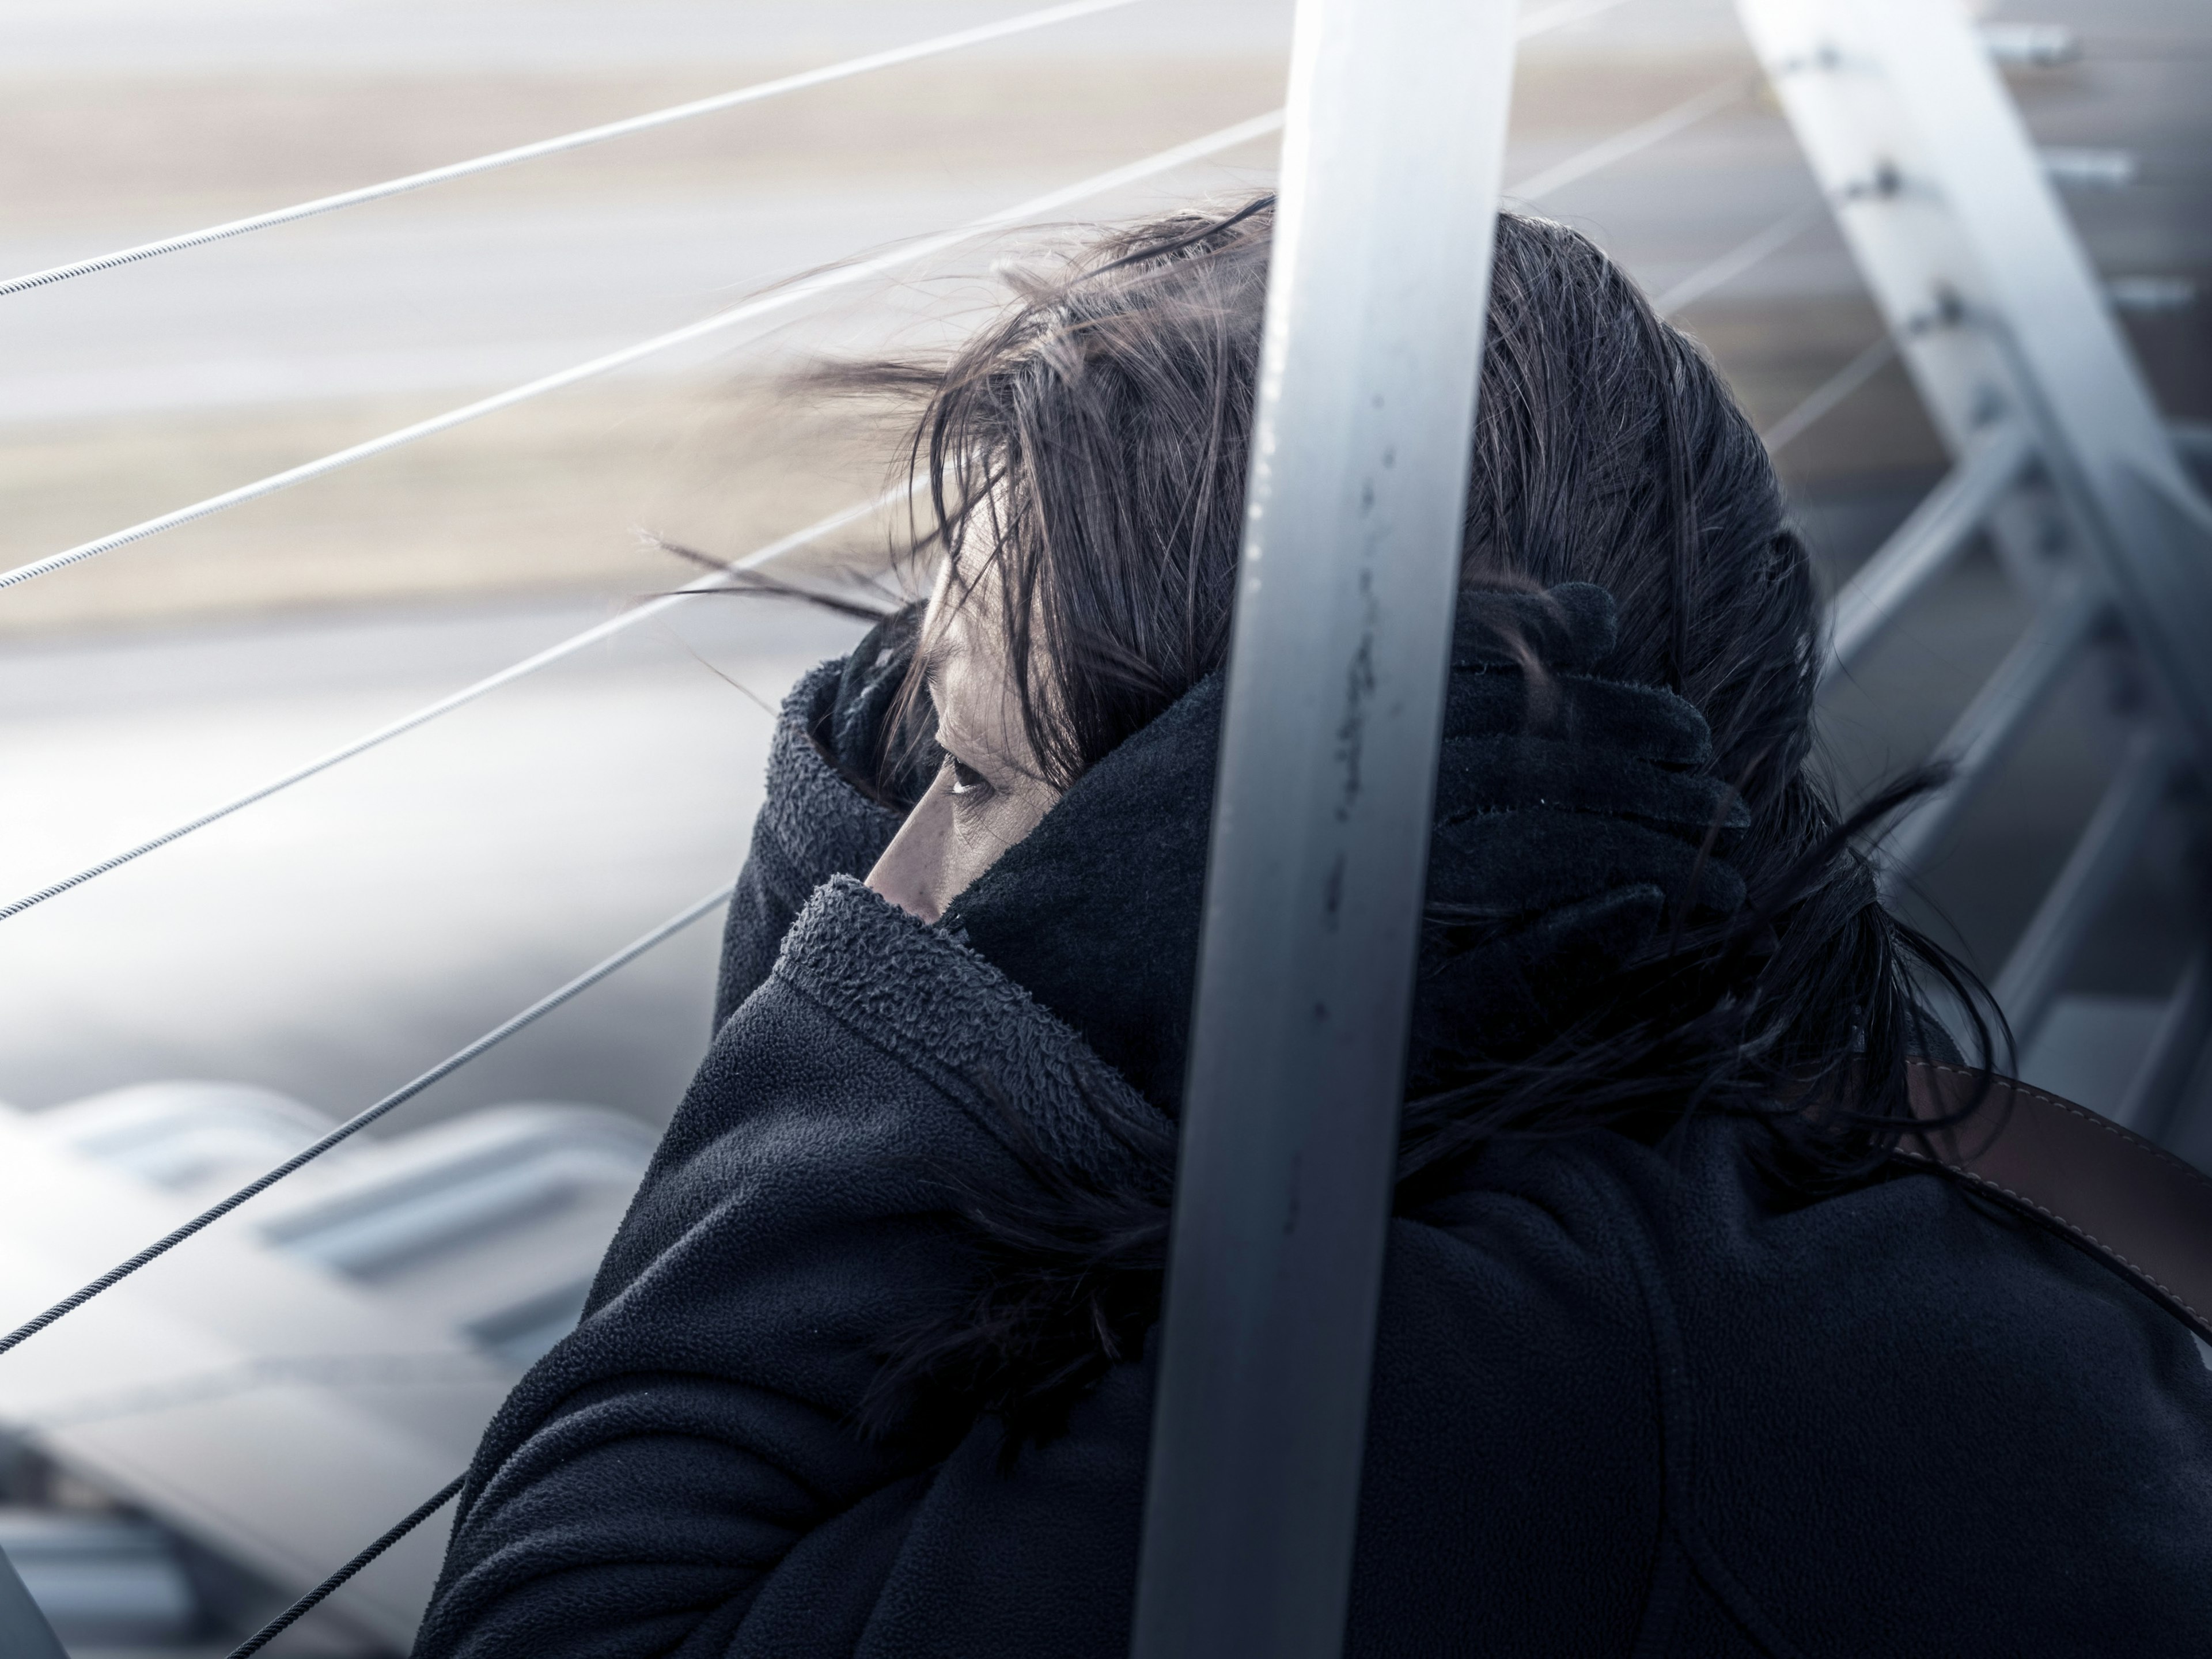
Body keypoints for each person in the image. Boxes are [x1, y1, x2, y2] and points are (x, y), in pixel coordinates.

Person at [411, 200, 2212, 1658]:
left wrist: (911, 1026)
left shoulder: (1500, 1361)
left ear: (1215, 862)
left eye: (967, 779)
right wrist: (941, 785)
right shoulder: (1688, 1191)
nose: (879, 904)